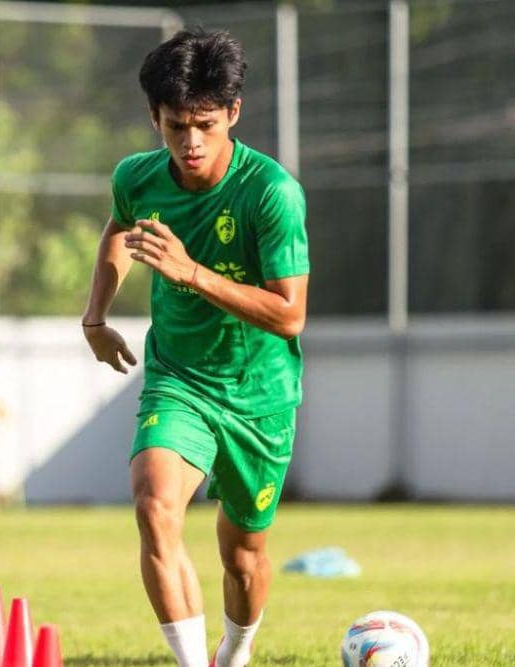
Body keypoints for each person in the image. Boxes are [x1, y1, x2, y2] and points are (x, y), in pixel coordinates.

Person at [81, 27, 309, 667]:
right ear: (155, 117)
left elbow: (290, 316)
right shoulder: (137, 178)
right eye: (175, 125)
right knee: (154, 508)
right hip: (178, 380)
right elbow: (119, 229)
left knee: (244, 555)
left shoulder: (272, 193)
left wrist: (194, 274)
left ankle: (234, 654)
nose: (190, 142)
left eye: (205, 124)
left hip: (260, 397)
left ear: (233, 113)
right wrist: (95, 317)